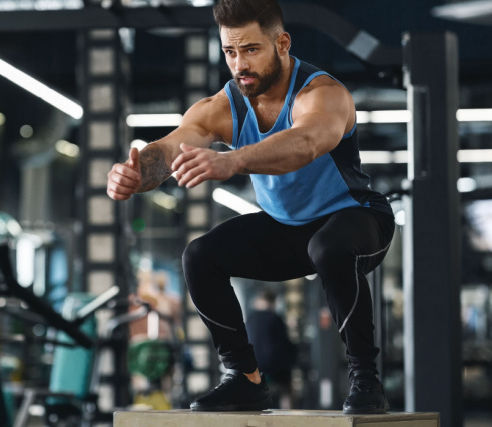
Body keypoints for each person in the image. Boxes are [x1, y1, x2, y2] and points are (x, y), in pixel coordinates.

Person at [106, 0, 394, 414]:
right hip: (289, 229)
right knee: (200, 255)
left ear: (282, 43)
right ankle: (244, 378)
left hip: (357, 218)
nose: (240, 64)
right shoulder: (224, 106)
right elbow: (172, 147)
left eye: (251, 50)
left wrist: (233, 159)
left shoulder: (322, 93)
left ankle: (366, 379)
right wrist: (135, 174)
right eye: (230, 52)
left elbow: (307, 142)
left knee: (328, 247)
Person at [246, 289, 295, 409]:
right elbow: (284, 344)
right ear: (273, 302)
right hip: (273, 366)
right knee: (288, 390)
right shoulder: (275, 318)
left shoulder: (250, 318)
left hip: (253, 366)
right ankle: (287, 417)